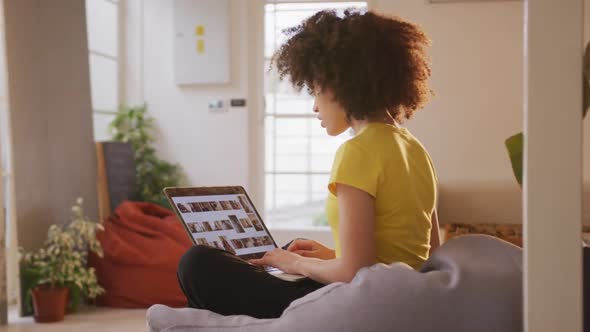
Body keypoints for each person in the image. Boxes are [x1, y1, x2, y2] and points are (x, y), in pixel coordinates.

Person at [176, 8, 439, 319]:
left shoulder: (358, 152)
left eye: (315, 90)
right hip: (401, 298)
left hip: (358, 304)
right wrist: (329, 256)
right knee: (281, 254)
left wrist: (296, 264)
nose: (314, 106)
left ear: (342, 85)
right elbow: (429, 254)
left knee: (197, 263)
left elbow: (355, 272)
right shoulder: (414, 148)